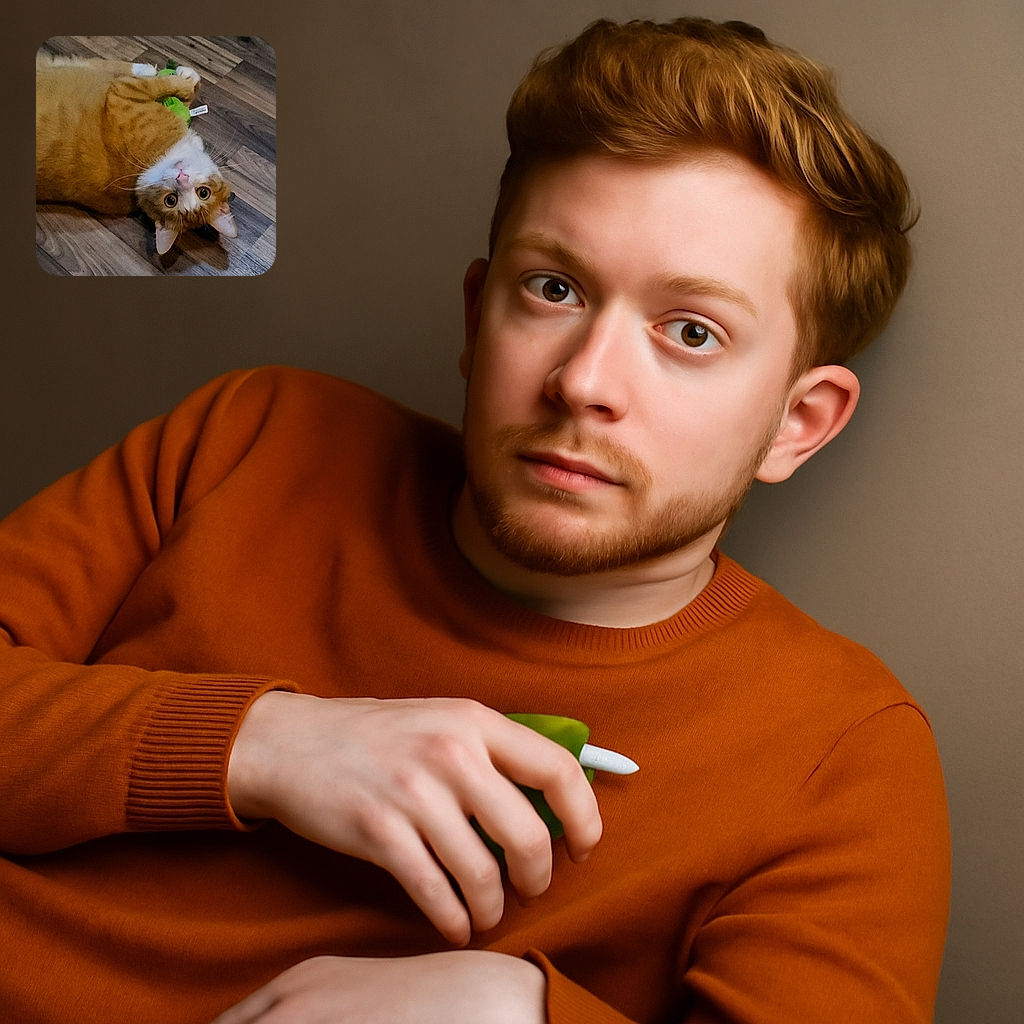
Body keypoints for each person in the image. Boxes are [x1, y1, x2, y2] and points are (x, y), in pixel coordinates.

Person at [0, 17, 949, 1024]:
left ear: (797, 426)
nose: (583, 382)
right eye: (553, 288)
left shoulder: (844, 754)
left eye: (690, 332)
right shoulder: (254, 433)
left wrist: (518, 1010)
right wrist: (260, 741)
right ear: (476, 314)